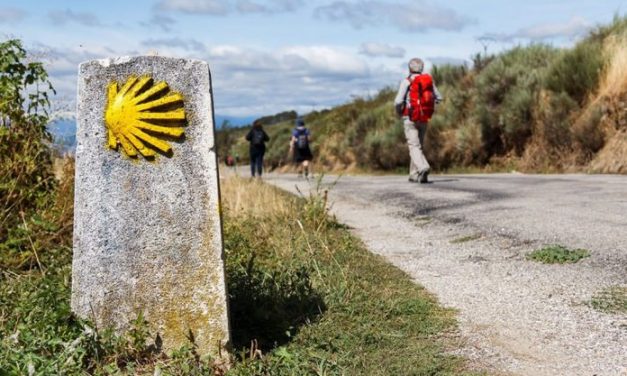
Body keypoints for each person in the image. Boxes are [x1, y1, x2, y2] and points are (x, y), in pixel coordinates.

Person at [394, 58, 442, 184]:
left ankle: (422, 167)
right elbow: (439, 97)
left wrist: (400, 112)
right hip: (424, 118)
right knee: (418, 147)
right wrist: (428, 107)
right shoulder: (428, 81)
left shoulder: (407, 81)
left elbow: (398, 101)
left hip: (410, 118)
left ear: (409, 68)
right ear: (422, 68)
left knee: (413, 146)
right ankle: (414, 175)